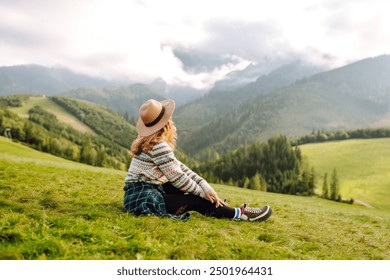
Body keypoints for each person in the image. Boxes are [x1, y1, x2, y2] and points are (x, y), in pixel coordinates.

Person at [123, 99, 272, 222]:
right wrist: (202, 193)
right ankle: (240, 214)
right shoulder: (158, 146)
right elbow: (179, 178)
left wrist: (205, 187)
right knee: (196, 200)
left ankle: (223, 208)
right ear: (167, 123)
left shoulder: (148, 142)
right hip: (144, 199)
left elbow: (181, 169)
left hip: (137, 195)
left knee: (191, 191)